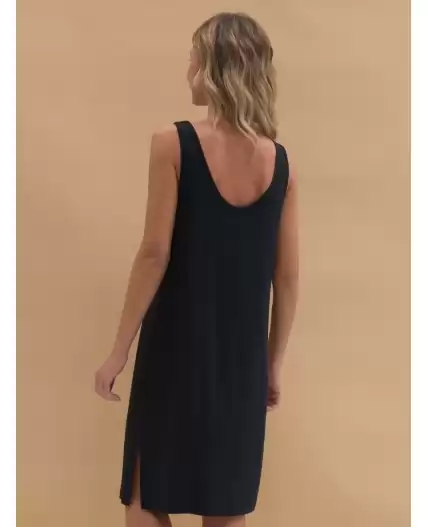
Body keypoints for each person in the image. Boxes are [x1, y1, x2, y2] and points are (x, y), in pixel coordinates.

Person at [95, 11, 299, 527]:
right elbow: (287, 277)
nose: (188, 68)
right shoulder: (281, 164)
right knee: (225, 506)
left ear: (214, 68)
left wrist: (119, 350)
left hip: (173, 351)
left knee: (146, 497)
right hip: (241, 362)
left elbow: (154, 252)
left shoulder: (173, 142)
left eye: (193, 57)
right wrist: (273, 363)